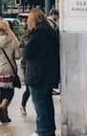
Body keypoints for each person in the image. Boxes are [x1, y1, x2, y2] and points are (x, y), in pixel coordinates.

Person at [23, 8, 60, 136]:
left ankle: (43, 131)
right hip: (48, 75)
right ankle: (49, 130)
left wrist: (27, 39)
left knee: (40, 106)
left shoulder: (37, 34)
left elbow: (28, 53)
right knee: (47, 104)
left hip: (37, 75)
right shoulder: (50, 32)